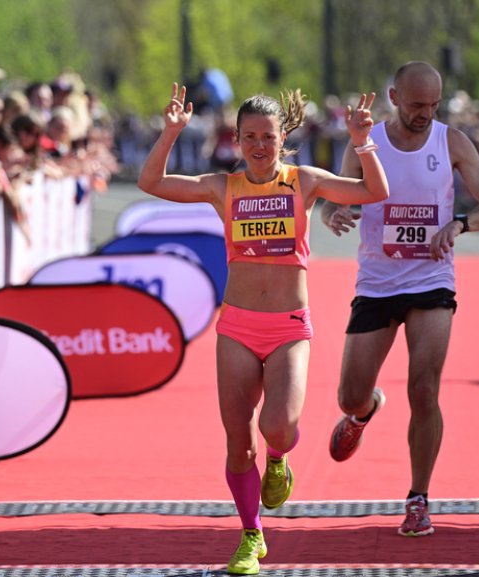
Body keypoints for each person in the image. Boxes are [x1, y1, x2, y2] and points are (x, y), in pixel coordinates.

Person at [138, 83, 388, 574]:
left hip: (289, 327)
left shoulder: (305, 181)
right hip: (236, 326)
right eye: (249, 137)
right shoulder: (221, 186)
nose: (258, 146)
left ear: (283, 138)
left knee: (277, 425)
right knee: (237, 443)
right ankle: (251, 535)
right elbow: (152, 182)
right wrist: (170, 133)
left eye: (268, 137)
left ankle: (280, 458)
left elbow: (374, 192)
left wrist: (363, 142)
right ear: (236, 139)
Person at [321, 61, 479, 537]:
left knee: (425, 388)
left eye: (433, 105)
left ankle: (418, 498)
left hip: (432, 279)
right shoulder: (369, 142)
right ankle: (364, 411)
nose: (425, 114)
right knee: (349, 394)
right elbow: (332, 196)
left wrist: (460, 223)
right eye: (416, 105)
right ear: (394, 97)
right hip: (378, 283)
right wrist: (333, 214)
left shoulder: (451, 142)